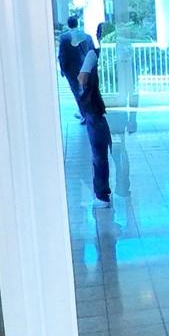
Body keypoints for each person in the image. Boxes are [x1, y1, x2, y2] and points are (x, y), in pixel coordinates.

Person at [74, 27, 112, 206]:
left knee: (99, 152)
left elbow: (82, 78)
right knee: (118, 152)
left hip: (96, 109)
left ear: (98, 36)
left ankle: (102, 195)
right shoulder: (120, 55)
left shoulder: (93, 54)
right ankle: (122, 187)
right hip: (114, 109)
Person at [56, 14, 90, 118]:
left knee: (76, 91)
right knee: (85, 90)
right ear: (77, 23)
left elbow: (62, 55)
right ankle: (87, 113)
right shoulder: (85, 35)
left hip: (71, 69)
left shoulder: (64, 37)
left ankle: (84, 114)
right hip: (84, 67)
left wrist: (62, 69)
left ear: (68, 25)